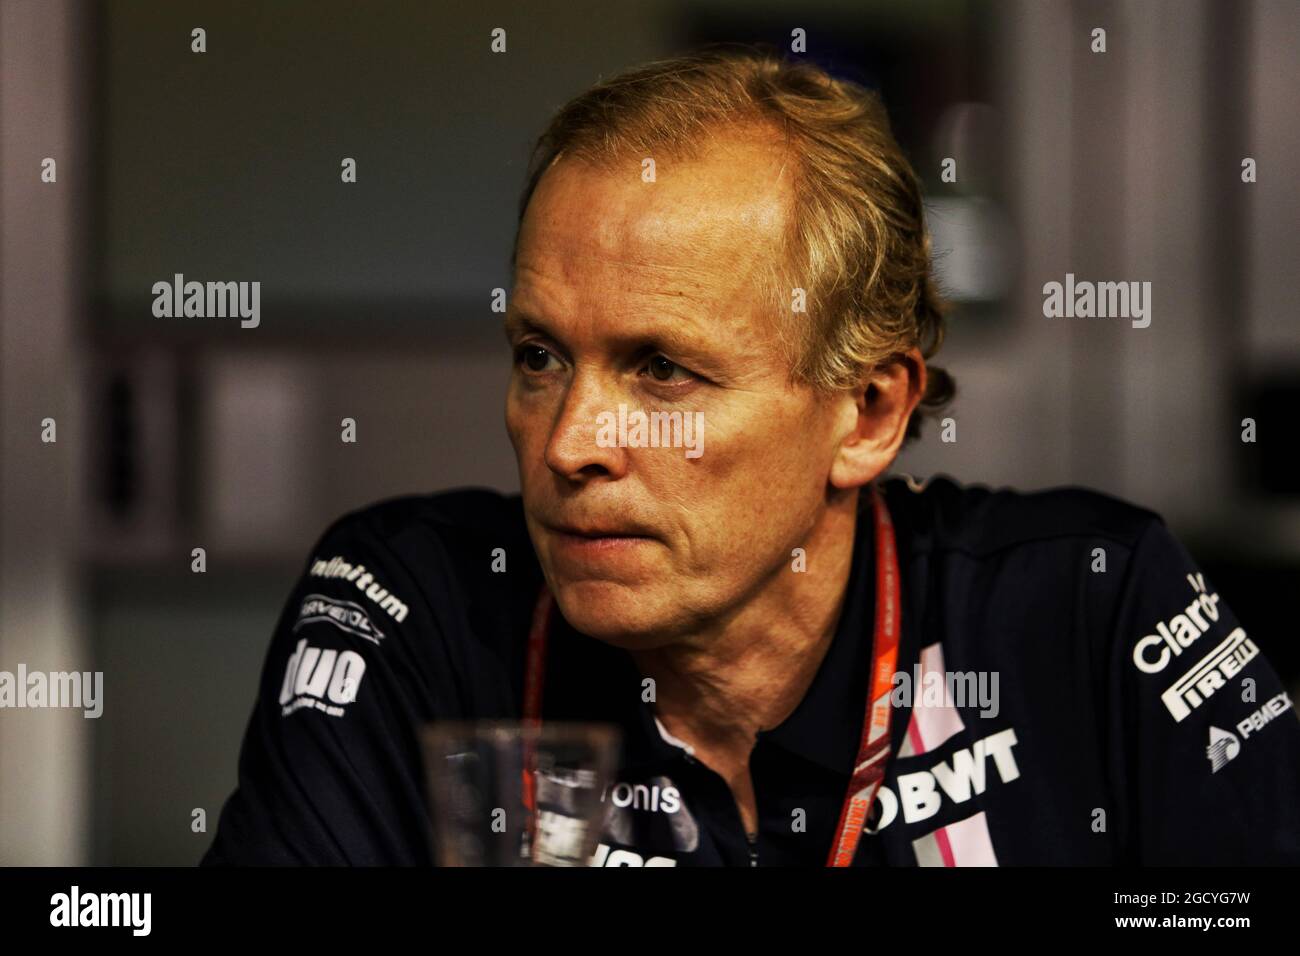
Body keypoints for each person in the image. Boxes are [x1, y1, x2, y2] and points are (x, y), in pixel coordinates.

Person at [201, 48, 1300, 866]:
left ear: (866, 411)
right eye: (541, 356)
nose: (573, 443)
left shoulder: (1088, 606)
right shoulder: (416, 609)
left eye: (663, 371)